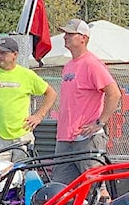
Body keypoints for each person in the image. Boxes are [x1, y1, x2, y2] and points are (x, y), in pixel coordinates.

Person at [0, 36, 57, 165]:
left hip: (23, 134)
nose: (0, 56)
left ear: (15, 54)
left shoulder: (26, 75)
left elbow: (51, 93)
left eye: (4, 53)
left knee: (23, 175)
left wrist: (38, 116)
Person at [52, 19, 122, 186]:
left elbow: (114, 94)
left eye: (70, 34)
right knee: (61, 190)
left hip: (86, 139)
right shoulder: (68, 65)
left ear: (83, 38)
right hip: (65, 138)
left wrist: (99, 122)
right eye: (65, 33)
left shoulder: (92, 64)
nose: (65, 37)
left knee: (94, 187)